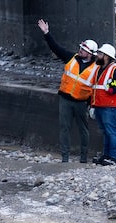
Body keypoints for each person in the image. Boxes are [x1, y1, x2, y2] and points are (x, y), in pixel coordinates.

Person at [37, 18, 98, 163]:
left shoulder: (96, 68)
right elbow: (56, 48)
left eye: (83, 49)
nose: (80, 50)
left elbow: (97, 88)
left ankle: (83, 158)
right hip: (65, 100)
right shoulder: (71, 57)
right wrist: (46, 33)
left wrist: (92, 105)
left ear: (90, 53)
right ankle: (65, 158)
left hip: (81, 103)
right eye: (81, 48)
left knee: (83, 130)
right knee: (64, 128)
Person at [90, 42, 116, 165]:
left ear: (106, 56)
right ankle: (106, 155)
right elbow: (96, 88)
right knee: (105, 131)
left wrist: (112, 90)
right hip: (100, 105)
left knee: (111, 131)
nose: (98, 56)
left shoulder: (115, 70)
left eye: (100, 54)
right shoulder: (99, 69)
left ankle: (113, 157)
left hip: (110, 106)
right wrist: (92, 105)